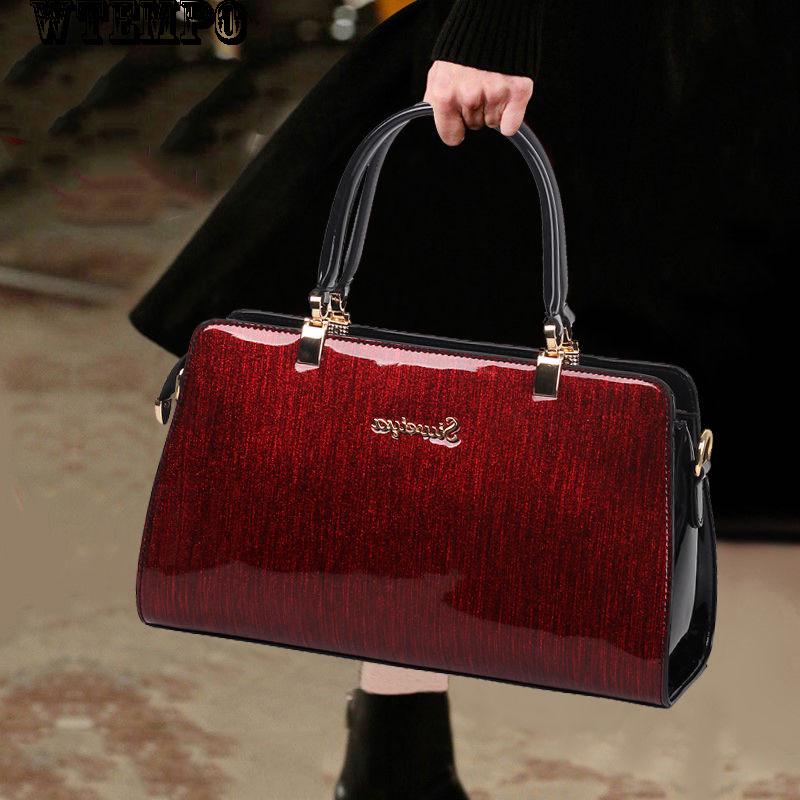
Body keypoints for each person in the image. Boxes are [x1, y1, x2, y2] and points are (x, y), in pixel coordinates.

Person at [130, 1, 798, 797]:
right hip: (593, 44)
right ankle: (396, 753)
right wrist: (492, 29)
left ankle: (396, 757)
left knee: (699, 425)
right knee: (421, 373)